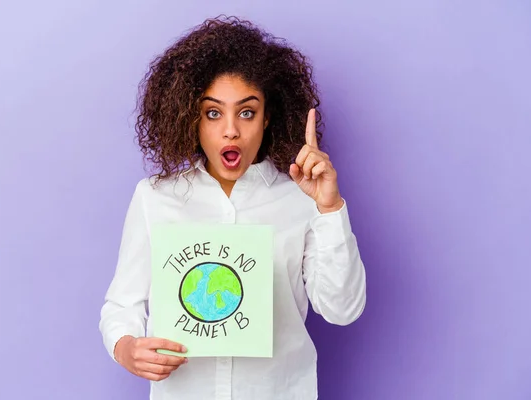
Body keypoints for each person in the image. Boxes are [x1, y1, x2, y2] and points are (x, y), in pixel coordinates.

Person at [99, 15, 366, 400]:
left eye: (246, 112)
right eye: (213, 112)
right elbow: (121, 304)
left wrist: (330, 208)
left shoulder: (300, 199)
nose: (230, 131)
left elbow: (343, 309)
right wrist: (126, 348)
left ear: (267, 116)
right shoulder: (155, 198)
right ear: (192, 117)